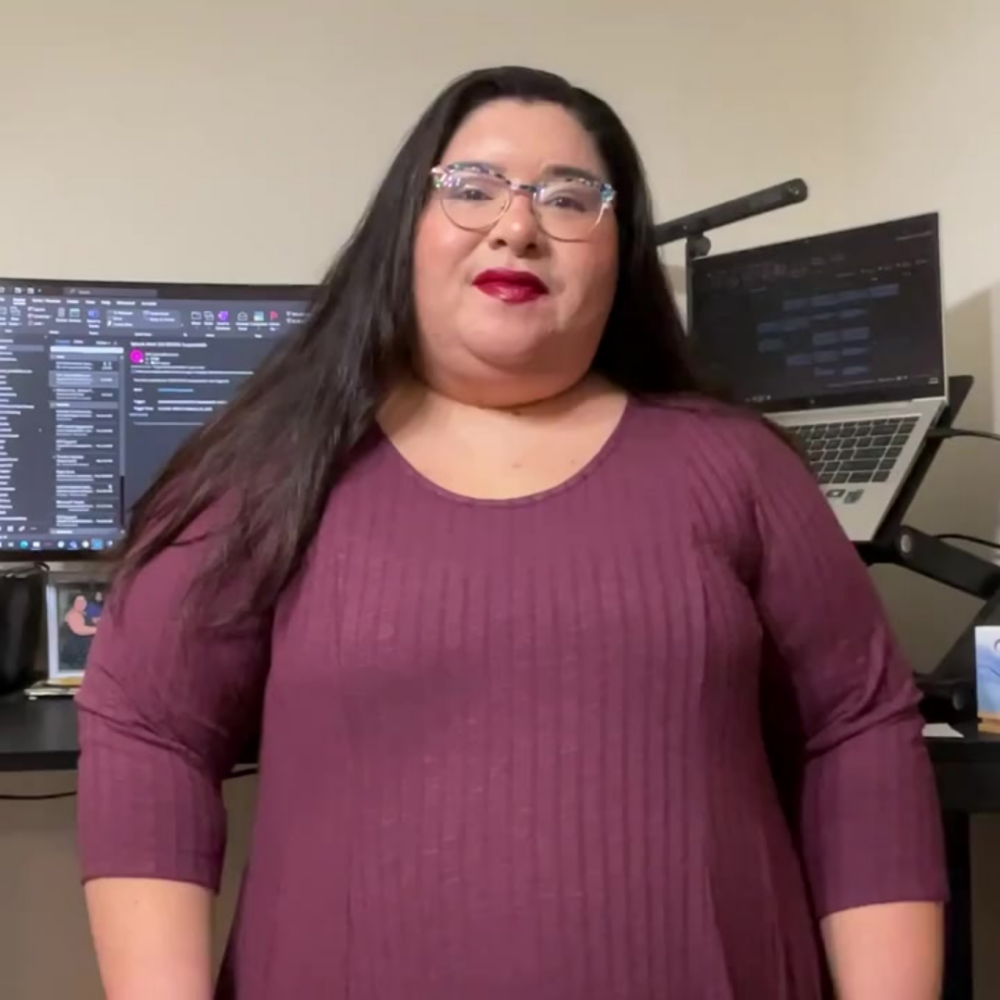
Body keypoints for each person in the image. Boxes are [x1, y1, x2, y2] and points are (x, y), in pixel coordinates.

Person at [75, 65, 948, 1000]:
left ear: (619, 253)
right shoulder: (275, 467)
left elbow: (854, 729)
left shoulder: (734, 465)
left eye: (571, 198)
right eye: (473, 188)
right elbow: (149, 732)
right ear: (403, 229)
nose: (518, 225)